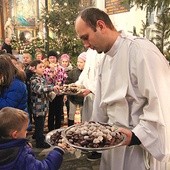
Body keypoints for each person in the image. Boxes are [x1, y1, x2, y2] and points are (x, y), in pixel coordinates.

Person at [75, 7, 170, 170]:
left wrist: (135, 136)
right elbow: (101, 103)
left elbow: (161, 101)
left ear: (101, 25)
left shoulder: (140, 50)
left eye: (86, 37)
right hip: (113, 142)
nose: (85, 45)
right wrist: (91, 130)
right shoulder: (105, 59)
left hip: (138, 147)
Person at [0, 107, 64, 170]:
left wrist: (25, 145)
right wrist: (58, 151)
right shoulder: (22, 157)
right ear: (15, 134)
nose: (27, 132)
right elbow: (44, 168)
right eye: (25, 130)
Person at [30, 60, 59, 148]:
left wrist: (54, 92)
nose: (43, 68)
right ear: (34, 70)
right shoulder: (34, 80)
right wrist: (52, 87)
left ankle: (37, 136)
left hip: (44, 106)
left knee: (40, 124)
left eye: (43, 67)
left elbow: (45, 91)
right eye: (40, 67)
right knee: (39, 124)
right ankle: (40, 143)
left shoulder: (42, 78)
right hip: (38, 107)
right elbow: (39, 89)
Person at [44, 50, 67, 131]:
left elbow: (64, 79)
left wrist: (61, 86)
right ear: (48, 59)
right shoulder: (45, 69)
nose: (52, 59)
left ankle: (58, 129)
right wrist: (52, 74)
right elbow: (45, 81)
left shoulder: (61, 68)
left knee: (58, 112)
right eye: (50, 58)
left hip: (59, 93)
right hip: (50, 93)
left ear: (56, 59)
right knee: (51, 113)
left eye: (54, 58)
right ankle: (50, 130)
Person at [65, 52, 86, 126]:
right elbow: (67, 82)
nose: (79, 64)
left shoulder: (88, 73)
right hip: (72, 98)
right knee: (71, 114)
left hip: (83, 98)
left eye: (81, 62)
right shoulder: (72, 72)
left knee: (84, 115)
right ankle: (70, 128)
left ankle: (82, 128)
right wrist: (70, 88)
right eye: (78, 62)